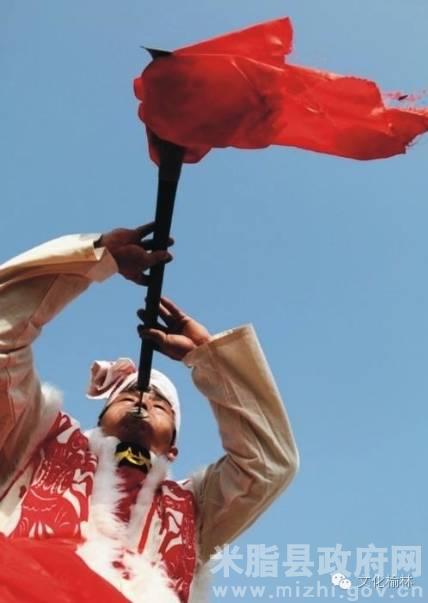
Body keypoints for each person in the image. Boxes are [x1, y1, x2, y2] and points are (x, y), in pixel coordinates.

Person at [0, 224, 299, 603]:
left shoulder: (196, 510)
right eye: (128, 395)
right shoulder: (36, 440)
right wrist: (94, 258)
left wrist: (210, 358)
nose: (143, 401)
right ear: (100, 417)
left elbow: (270, 465)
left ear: (173, 448)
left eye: (161, 406)